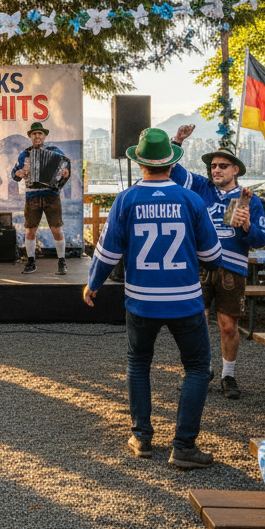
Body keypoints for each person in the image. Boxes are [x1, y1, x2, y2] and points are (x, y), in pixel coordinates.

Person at [83, 128, 223, 468]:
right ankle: (184, 446)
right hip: (186, 301)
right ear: (172, 164)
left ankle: (142, 437)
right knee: (197, 367)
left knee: (139, 362)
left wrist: (93, 284)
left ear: (139, 162)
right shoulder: (191, 200)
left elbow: (107, 252)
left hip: (141, 300)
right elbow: (213, 256)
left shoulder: (126, 200)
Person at [169, 125, 265, 400]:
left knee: (228, 325)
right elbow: (172, 170)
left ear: (235, 170)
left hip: (232, 267)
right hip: (200, 264)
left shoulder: (249, 199)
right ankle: (201, 370)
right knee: (195, 321)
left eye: (223, 166)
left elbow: (261, 239)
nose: (216, 170)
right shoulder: (201, 187)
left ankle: (228, 375)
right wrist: (177, 141)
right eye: (213, 166)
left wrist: (246, 226)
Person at [11, 121, 71, 275]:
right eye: (34, 134)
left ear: (44, 136)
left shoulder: (55, 151)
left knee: (56, 229)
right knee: (30, 230)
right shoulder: (24, 154)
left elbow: (65, 166)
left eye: (40, 133)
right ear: (30, 136)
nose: (37, 136)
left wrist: (65, 172)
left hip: (51, 195)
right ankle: (31, 261)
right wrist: (18, 173)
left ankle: (62, 261)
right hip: (32, 196)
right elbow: (15, 172)